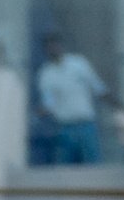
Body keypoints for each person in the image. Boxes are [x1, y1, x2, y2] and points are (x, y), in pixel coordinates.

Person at [35, 34, 111, 165]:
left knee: (93, 166)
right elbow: (49, 103)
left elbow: (98, 88)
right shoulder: (46, 74)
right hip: (64, 128)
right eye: (49, 47)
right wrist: (39, 111)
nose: (52, 49)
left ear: (61, 46)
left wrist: (118, 106)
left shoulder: (79, 64)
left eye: (54, 45)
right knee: (65, 168)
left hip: (86, 124)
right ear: (45, 50)